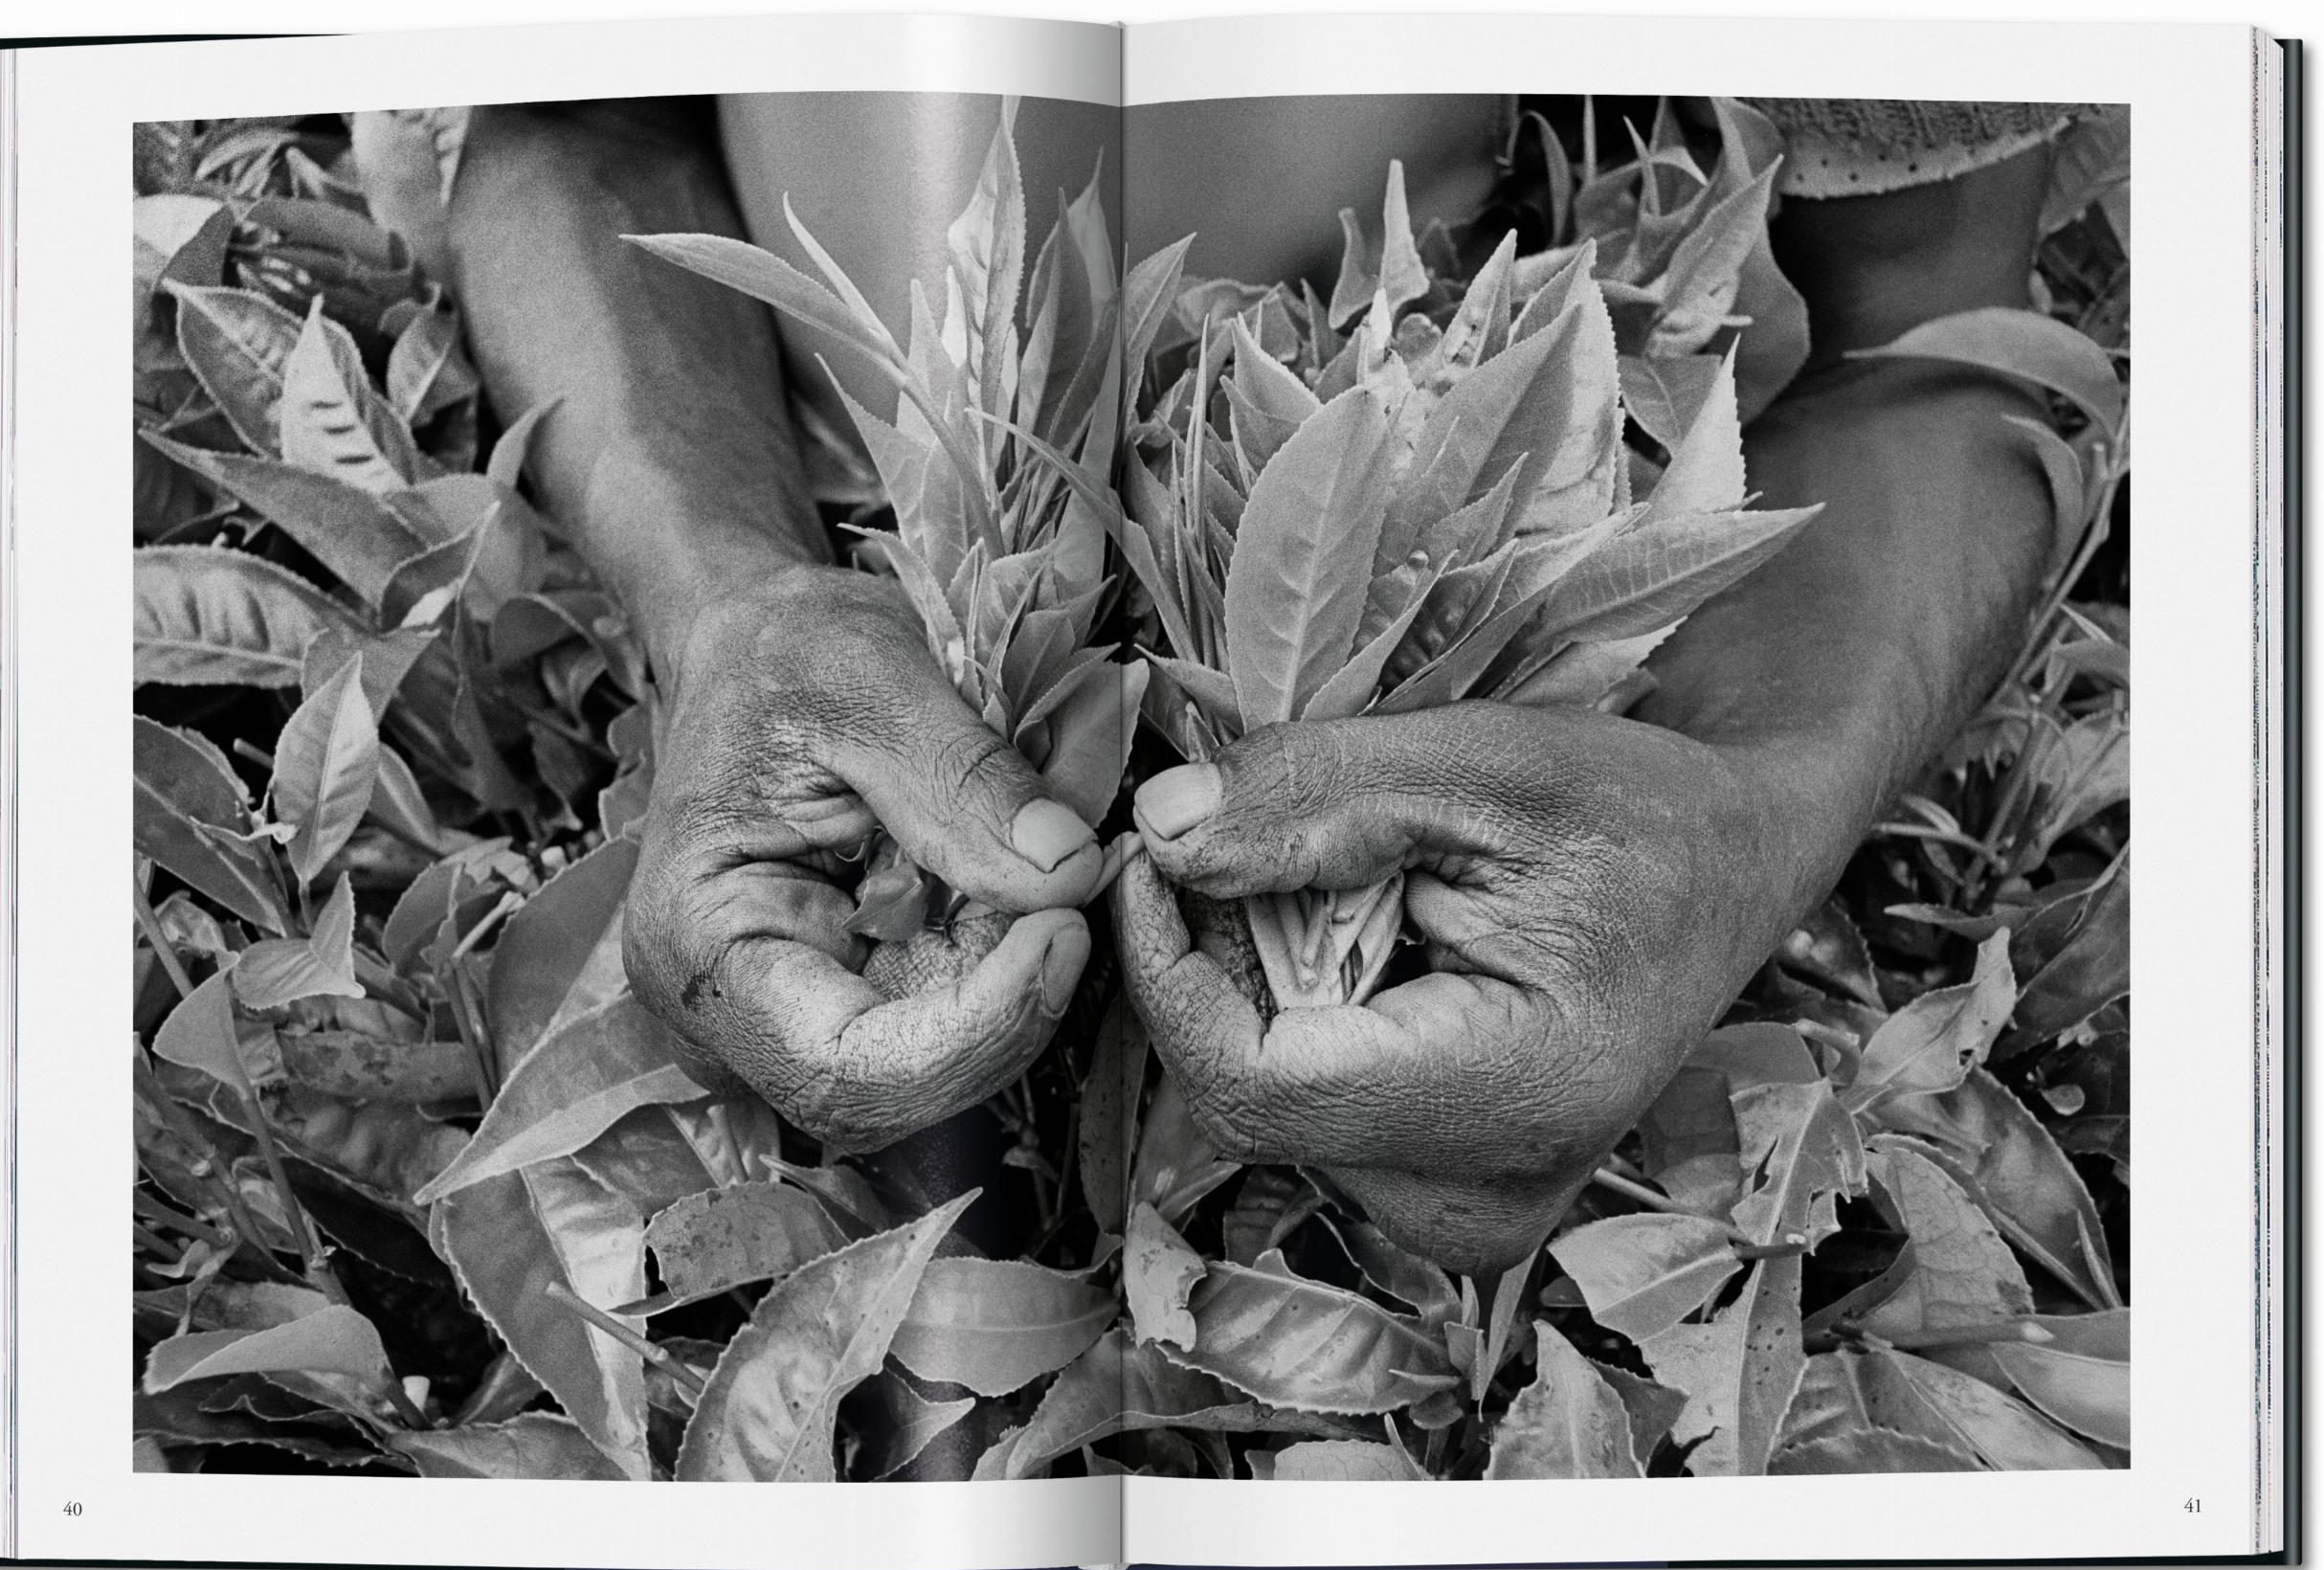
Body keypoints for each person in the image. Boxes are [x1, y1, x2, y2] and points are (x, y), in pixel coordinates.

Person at [444, 93, 2083, 1275]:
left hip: (1432, 614)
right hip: (853, 530)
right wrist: (723, 598)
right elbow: (562, 119)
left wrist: (1750, 800)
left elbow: (1930, 326)